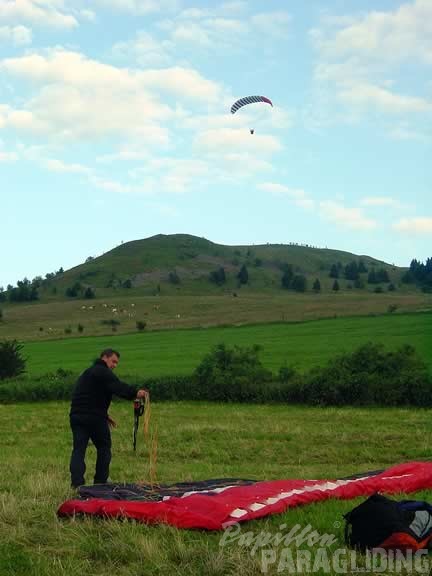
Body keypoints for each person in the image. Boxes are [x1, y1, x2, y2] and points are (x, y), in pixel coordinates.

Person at [69, 348, 148, 488]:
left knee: (78, 449)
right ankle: (100, 483)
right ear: (104, 357)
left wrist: (104, 415)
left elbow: (87, 395)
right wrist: (136, 393)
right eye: (113, 361)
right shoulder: (103, 372)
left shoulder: (86, 373)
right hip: (93, 417)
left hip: (76, 415)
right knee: (104, 447)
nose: (114, 365)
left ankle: (77, 484)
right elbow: (118, 387)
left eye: (117, 363)